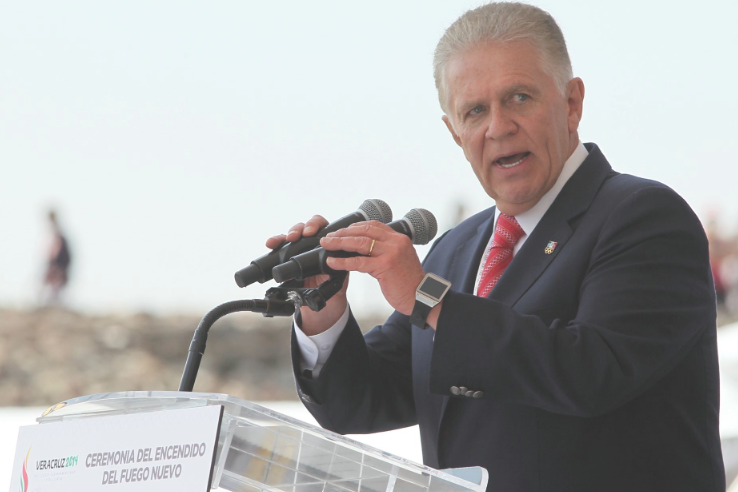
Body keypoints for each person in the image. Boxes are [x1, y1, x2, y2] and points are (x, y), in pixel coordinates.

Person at [266, 3, 725, 490]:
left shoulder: (644, 217)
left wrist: (428, 298)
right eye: (475, 111)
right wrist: (321, 304)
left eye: (519, 98)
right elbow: (361, 400)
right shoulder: (455, 250)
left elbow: (593, 373)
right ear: (455, 132)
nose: (499, 127)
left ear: (572, 103)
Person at [41, 209, 72, 305]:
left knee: (55, 284)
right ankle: (51, 303)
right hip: (58, 262)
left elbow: (56, 245)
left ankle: (54, 304)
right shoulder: (55, 230)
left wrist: (53, 259)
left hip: (59, 262)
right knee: (52, 285)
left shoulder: (57, 232)